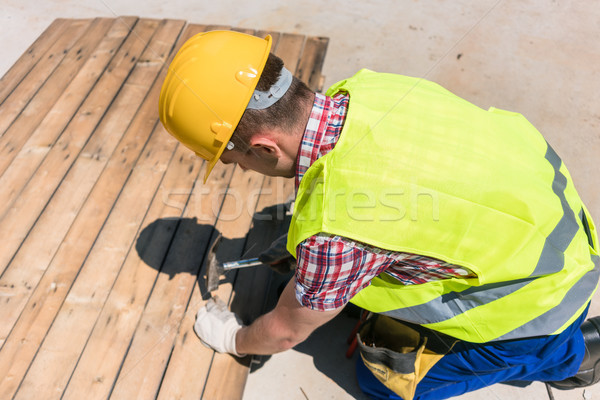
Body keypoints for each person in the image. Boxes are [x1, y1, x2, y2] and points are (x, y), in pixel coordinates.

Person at [158, 30, 600, 399]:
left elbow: (286, 333)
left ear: (263, 147)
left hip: (539, 307)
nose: (243, 171)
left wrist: (234, 337)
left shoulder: (334, 232)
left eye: (237, 161)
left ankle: (573, 358)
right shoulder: (368, 89)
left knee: (382, 379)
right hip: (557, 227)